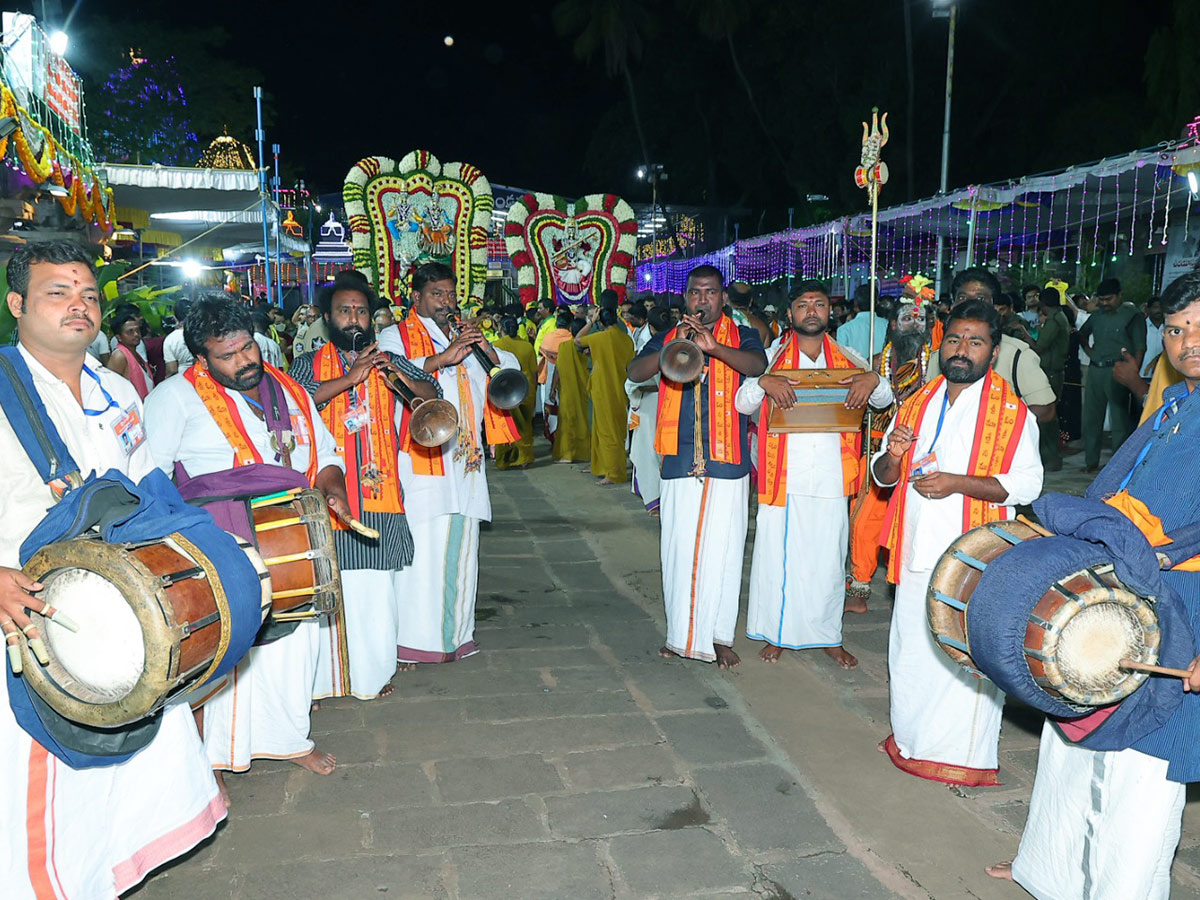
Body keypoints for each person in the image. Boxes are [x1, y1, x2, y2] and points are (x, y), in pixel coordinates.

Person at [0, 241, 225, 897]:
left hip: (116, 620)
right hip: (27, 615)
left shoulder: (119, 389)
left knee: (111, 786)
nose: (79, 306)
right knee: (35, 789)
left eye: (89, 295)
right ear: (16, 306)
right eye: (57, 293)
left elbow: (148, 490)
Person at [991, 271, 1200, 898]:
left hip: (1184, 612)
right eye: (1176, 328)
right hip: (1122, 592)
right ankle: (1050, 872)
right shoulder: (1174, 403)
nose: (1187, 340)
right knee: (1074, 731)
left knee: (1142, 771)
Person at [144, 294, 346, 791]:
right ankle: (216, 754)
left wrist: (334, 485)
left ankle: (288, 737)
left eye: (247, 348)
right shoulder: (173, 397)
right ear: (201, 358)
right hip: (223, 538)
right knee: (233, 643)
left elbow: (324, 449)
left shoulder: (286, 387)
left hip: (290, 534)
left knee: (293, 644)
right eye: (227, 356)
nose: (243, 362)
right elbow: (150, 473)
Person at [872, 298, 1042, 785]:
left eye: (975, 341)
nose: (962, 350)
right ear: (940, 342)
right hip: (915, 546)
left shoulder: (1011, 412)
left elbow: (1027, 485)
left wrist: (956, 483)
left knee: (964, 654)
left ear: (993, 348)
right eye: (954, 339)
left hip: (972, 555)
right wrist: (895, 455)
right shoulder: (918, 401)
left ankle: (960, 756)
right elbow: (883, 477)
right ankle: (910, 740)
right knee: (911, 649)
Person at [289, 276, 438, 699]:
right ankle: (322, 684)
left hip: (378, 490)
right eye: (344, 311)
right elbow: (296, 402)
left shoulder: (386, 356)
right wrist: (352, 378)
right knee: (328, 587)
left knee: (375, 589)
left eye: (360, 311)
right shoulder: (308, 360)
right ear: (328, 317)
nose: (353, 319)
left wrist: (398, 377)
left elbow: (432, 393)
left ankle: (371, 677)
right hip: (325, 491)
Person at [736, 281, 893, 667]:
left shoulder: (847, 356)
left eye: (818, 304)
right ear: (790, 314)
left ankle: (828, 635)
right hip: (782, 477)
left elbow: (885, 397)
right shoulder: (771, 355)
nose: (811, 311)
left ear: (829, 313)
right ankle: (776, 633)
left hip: (830, 476)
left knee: (827, 558)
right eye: (803, 305)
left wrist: (871, 378)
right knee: (777, 559)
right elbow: (742, 403)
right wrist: (762, 382)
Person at [377, 262, 521, 665]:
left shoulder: (465, 334)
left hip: (466, 462)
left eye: (450, 294)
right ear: (417, 297)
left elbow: (503, 377)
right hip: (421, 459)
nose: (447, 302)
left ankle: (457, 636)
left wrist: (486, 349)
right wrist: (442, 358)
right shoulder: (395, 333)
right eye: (437, 294)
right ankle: (416, 641)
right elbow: (390, 371)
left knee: (463, 547)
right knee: (422, 549)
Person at [627, 264, 767, 669]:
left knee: (723, 549)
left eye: (710, 292)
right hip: (678, 458)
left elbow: (756, 367)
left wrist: (714, 349)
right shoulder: (668, 335)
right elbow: (634, 372)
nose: (702, 300)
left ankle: (719, 636)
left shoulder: (743, 335)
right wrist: (675, 345)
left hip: (728, 460)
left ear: (723, 297)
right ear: (685, 298)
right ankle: (681, 636)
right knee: (678, 549)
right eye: (694, 293)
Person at [846, 298, 933, 612]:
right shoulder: (873, 363)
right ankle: (860, 586)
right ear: (893, 326)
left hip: (922, 453)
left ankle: (911, 585)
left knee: (912, 523)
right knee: (865, 519)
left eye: (920, 320)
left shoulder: (936, 365)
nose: (914, 325)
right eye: (907, 319)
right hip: (878, 451)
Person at [929, 269, 1058, 458]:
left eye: (980, 298)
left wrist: (992, 428)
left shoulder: (1016, 353)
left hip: (997, 457)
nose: (971, 304)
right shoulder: (939, 355)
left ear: (993, 305)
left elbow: (1046, 410)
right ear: (953, 304)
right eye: (962, 297)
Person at [1078, 277, 1146, 473]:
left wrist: (1134, 372)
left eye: (1109, 299)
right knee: (1091, 419)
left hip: (1119, 370)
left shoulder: (1132, 316)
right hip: (1096, 370)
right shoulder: (1096, 316)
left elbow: (1140, 346)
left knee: (1119, 422)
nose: (1105, 303)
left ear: (1119, 296)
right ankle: (1090, 462)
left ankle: (1118, 468)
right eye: (1102, 299)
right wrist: (1090, 352)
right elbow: (1081, 334)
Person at [577, 306, 635, 484]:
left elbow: (578, 341)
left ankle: (613, 473)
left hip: (604, 388)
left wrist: (591, 322)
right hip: (621, 387)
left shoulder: (599, 337)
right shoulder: (626, 339)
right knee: (615, 430)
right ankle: (603, 466)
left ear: (601, 322)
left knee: (607, 431)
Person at [626, 306, 671, 515]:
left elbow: (632, 382)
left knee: (648, 450)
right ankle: (661, 496)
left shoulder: (650, 346)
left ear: (650, 326)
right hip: (669, 404)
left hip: (650, 405)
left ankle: (654, 497)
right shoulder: (677, 342)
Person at [1029, 287, 1070, 472]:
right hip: (1054, 371)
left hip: (1051, 372)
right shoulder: (1060, 317)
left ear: (1044, 304)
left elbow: (1039, 347)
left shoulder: (1054, 320)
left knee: (1047, 418)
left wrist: (1023, 332)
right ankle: (1050, 458)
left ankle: (1051, 458)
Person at [494, 315, 538, 469]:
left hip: (505, 390)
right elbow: (533, 371)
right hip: (526, 388)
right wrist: (534, 389)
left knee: (506, 424)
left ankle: (504, 459)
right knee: (525, 424)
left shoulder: (497, 345)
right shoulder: (527, 346)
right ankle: (525, 457)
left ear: (502, 329)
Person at [550, 316, 592, 464]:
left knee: (568, 421)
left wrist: (552, 388)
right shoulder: (592, 346)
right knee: (587, 421)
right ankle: (588, 452)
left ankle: (567, 454)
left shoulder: (564, 347)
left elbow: (558, 369)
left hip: (568, 390)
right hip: (589, 389)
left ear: (570, 331)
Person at [105, 309, 155, 399]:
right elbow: (110, 388)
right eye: (130, 332)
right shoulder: (119, 356)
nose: (136, 334)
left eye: (137, 330)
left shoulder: (134, 353)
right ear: (119, 337)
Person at [834, 287, 888, 361]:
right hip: (882, 370)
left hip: (855, 371)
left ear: (855, 303)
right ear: (876, 302)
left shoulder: (844, 329)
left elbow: (842, 358)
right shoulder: (887, 325)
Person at [163, 297, 194, 376]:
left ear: (175, 317)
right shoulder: (203, 332)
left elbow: (172, 370)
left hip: (183, 378)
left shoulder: (171, 339)